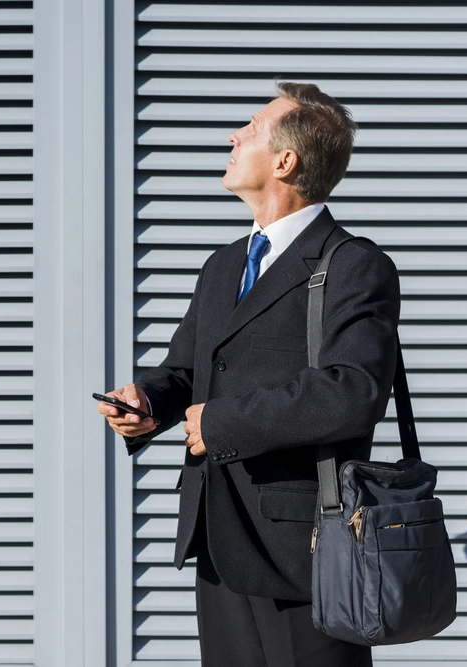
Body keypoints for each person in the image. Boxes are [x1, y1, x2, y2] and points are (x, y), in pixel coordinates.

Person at [98, 82, 401, 666]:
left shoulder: (355, 264)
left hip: (309, 551)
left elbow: (353, 391)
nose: (233, 137)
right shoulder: (222, 265)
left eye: (252, 128)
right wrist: (148, 405)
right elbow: (186, 372)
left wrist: (221, 422)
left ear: (285, 161)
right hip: (218, 535)